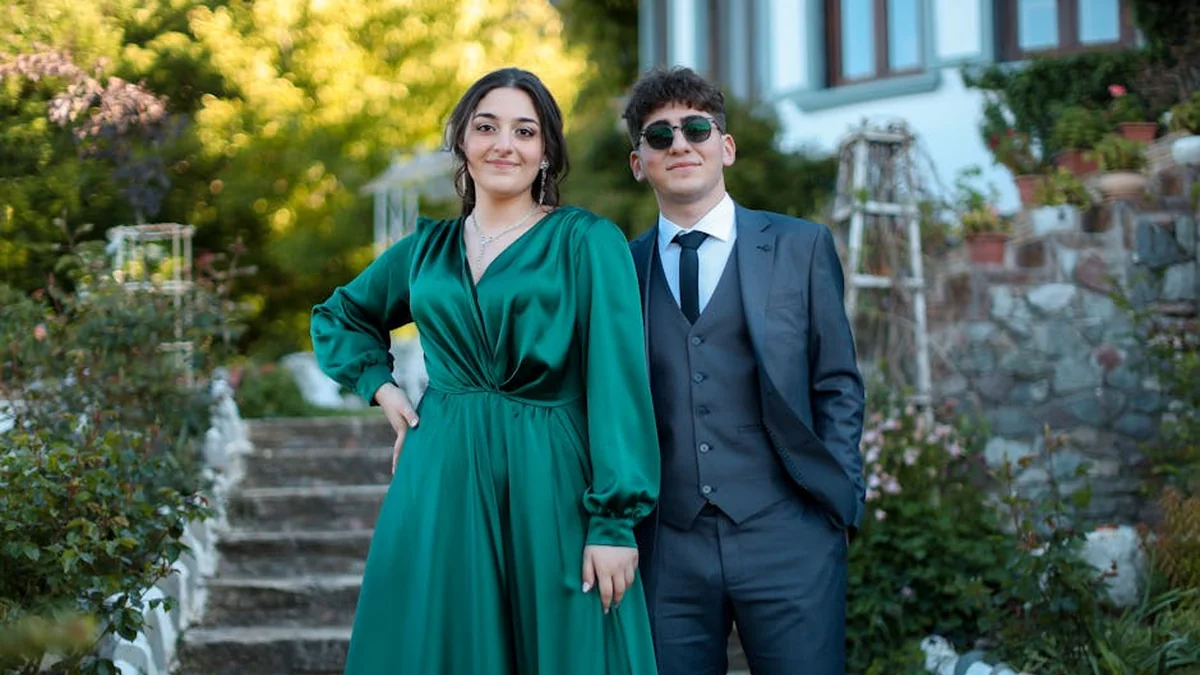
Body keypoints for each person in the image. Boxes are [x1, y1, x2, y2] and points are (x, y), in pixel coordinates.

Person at [310, 67, 660, 675]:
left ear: (546, 151)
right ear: (463, 142)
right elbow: (340, 315)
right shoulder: (427, 250)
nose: (505, 144)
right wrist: (383, 389)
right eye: (487, 127)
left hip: (550, 478)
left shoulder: (585, 241)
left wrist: (613, 524)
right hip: (441, 475)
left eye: (525, 131)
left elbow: (618, 382)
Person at [623, 66, 866, 675]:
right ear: (638, 163)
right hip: (666, 547)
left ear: (725, 147)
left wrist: (838, 504)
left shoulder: (800, 247)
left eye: (697, 129)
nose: (680, 144)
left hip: (789, 534)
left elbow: (837, 382)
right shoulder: (621, 270)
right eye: (660, 136)